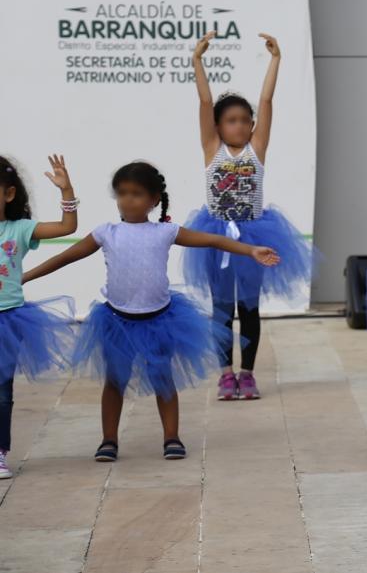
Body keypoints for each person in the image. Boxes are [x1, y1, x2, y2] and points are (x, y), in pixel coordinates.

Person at [23, 163, 278, 462]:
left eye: (136, 194)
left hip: (160, 320)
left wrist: (250, 250)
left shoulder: (165, 231)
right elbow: (66, 257)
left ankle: (172, 436)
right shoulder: (106, 232)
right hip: (117, 321)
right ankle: (108, 440)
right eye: (122, 194)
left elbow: (212, 240)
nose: (127, 200)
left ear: (154, 199)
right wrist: (25, 276)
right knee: (115, 381)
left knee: (163, 379)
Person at [184, 31, 316, 401]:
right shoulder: (212, 149)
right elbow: (205, 100)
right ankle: (225, 374)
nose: (239, 126)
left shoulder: (257, 149)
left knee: (251, 308)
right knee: (222, 308)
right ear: (218, 126)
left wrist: (275, 60)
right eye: (231, 121)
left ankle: (248, 372)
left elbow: (267, 100)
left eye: (245, 120)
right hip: (216, 237)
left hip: (255, 236)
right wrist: (198, 61)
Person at [0, 155, 78, 479]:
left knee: (2, 391)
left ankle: (0, 452)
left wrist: (66, 191)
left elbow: (67, 227)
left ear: (9, 194)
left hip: (9, 320)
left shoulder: (19, 230)